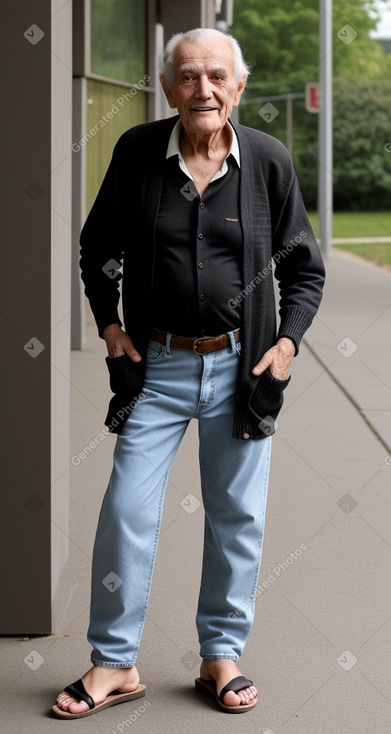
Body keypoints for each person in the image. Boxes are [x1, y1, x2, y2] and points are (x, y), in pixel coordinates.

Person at [53, 27, 325, 719]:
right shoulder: (138, 153)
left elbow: (303, 268)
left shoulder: (266, 161)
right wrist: (108, 325)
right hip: (158, 367)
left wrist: (287, 344)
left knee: (236, 517)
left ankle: (219, 657)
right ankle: (114, 663)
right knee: (126, 513)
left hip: (241, 367)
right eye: (186, 76)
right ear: (167, 84)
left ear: (238, 87)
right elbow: (96, 249)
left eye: (215, 76)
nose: (201, 89)